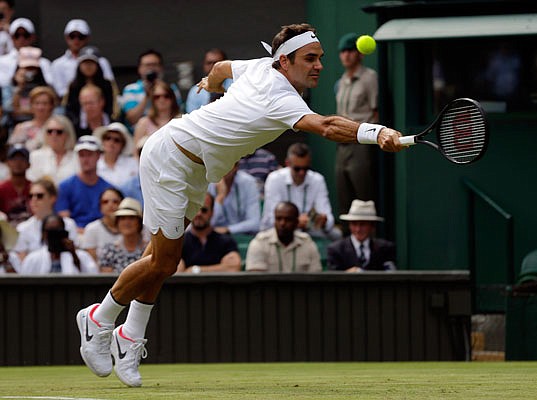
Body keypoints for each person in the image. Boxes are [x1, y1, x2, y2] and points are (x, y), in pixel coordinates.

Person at [75, 23, 404, 388]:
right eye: (310, 59)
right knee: (165, 260)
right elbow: (326, 126)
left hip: (196, 168)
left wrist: (211, 86)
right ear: (285, 60)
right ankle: (99, 318)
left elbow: (220, 70)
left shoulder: (258, 66)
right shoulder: (282, 97)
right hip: (170, 157)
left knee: (159, 258)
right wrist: (378, 133)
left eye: (320, 59)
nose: (318, 66)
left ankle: (129, 336)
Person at [334, 33, 380, 222]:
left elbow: (375, 111)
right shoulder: (341, 82)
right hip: (341, 143)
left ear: (359, 54)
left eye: (350, 51)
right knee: (343, 195)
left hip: (361, 143)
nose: (346, 55)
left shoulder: (369, 78)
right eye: (343, 51)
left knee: (364, 197)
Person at [261, 142, 341, 241]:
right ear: (288, 164)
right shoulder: (274, 179)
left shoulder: (317, 179)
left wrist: (323, 221)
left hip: (310, 231)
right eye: (297, 169)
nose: (302, 173)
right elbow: (271, 218)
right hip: (280, 231)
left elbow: (328, 218)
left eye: (305, 168)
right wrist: (295, 222)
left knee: (337, 235)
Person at [11, 177, 79, 267]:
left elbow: (75, 254)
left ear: (52, 198)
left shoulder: (68, 224)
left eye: (39, 196)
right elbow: (23, 264)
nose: (34, 200)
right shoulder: (22, 228)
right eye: (31, 196)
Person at [55, 135, 112, 230]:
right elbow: (64, 220)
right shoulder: (64, 187)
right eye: (81, 155)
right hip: (74, 235)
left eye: (89, 154)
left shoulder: (108, 188)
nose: (85, 159)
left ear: (98, 156)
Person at [246, 201, 321, 272]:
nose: (282, 223)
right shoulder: (260, 243)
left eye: (288, 220)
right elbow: (256, 281)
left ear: (296, 222)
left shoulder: (307, 243)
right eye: (278, 219)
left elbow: (316, 278)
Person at [177, 192, 241, 273]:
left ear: (212, 212)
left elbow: (233, 268)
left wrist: (195, 270)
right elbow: (177, 272)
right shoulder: (180, 242)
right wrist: (219, 268)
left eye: (204, 210)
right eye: (195, 209)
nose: (199, 214)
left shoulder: (226, 241)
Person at [50, 19, 115, 99]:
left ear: (87, 38)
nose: (76, 40)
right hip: (70, 103)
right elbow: (60, 92)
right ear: (66, 38)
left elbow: (109, 86)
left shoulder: (101, 61)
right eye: (72, 36)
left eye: (81, 37)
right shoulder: (57, 64)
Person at [326, 200, 396, 272]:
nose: (358, 229)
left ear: (372, 226)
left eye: (363, 224)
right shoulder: (336, 249)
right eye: (354, 224)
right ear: (349, 225)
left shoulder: (385, 248)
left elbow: (391, 275)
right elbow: (333, 279)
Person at [121, 49, 181, 129]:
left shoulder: (171, 88)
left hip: (166, 129)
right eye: (147, 65)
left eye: (154, 65)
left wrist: (163, 89)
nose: (151, 68)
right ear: (139, 68)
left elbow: (177, 114)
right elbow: (132, 119)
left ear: (161, 68)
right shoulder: (130, 89)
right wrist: (147, 95)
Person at [19, 213, 98, 274]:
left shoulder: (81, 256)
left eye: (57, 231)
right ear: (43, 234)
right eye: (50, 232)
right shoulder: (32, 259)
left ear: (63, 232)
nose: (54, 236)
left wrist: (73, 254)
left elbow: (92, 279)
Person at [63, 46, 119, 127]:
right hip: (78, 126)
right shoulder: (73, 86)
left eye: (91, 63)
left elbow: (113, 108)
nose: (88, 66)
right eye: (85, 63)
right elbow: (69, 109)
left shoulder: (107, 84)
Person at [207, 161, 261, 235]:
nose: (223, 169)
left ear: (236, 167)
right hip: (214, 237)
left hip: (243, 236)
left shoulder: (249, 182)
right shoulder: (209, 183)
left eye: (227, 165)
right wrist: (220, 198)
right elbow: (207, 222)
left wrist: (228, 229)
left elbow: (255, 223)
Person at [2, 46, 50, 128]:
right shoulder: (9, 86)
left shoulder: (44, 87)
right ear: (19, 67)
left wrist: (21, 110)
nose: (29, 71)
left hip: (40, 126)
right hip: (15, 125)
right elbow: (9, 108)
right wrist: (19, 87)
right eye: (26, 68)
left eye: (33, 68)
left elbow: (48, 108)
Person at [99, 198, 148, 274]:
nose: (126, 222)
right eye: (122, 218)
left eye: (131, 218)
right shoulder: (109, 250)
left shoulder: (150, 249)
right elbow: (106, 280)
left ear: (139, 222)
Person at [0, 18, 52, 88]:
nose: (21, 39)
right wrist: (15, 80)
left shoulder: (44, 63)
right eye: (17, 35)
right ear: (11, 37)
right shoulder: (2, 62)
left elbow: (50, 88)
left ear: (33, 37)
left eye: (26, 35)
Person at [26, 114, 78, 184]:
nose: (54, 135)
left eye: (59, 132)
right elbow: (31, 181)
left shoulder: (77, 157)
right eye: (50, 131)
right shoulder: (35, 156)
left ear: (67, 134)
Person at [79, 187, 124, 262]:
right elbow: (92, 263)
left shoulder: (132, 227)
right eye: (105, 202)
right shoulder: (91, 229)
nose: (110, 205)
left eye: (115, 202)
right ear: (100, 206)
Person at [132, 80, 180, 147]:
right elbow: (136, 152)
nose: (161, 100)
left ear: (172, 98)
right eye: (157, 97)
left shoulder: (181, 120)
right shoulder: (143, 123)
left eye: (166, 96)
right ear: (152, 100)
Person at [8, 85, 56, 151]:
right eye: (37, 103)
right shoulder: (22, 128)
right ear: (31, 105)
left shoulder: (58, 129)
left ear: (51, 106)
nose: (40, 107)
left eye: (45, 103)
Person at [185, 48, 231, 113]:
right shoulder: (195, 91)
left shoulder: (237, 84)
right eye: (209, 63)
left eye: (216, 63)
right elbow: (192, 116)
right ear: (204, 65)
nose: (213, 66)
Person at [93, 122, 137, 187]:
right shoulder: (94, 163)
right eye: (108, 138)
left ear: (123, 145)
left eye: (117, 140)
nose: (111, 142)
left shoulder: (132, 163)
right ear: (103, 141)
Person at [0, 143, 30, 226]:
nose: (18, 162)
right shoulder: (1, 189)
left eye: (22, 158)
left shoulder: (35, 188)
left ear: (29, 164)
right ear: (8, 163)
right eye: (14, 158)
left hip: (30, 232)